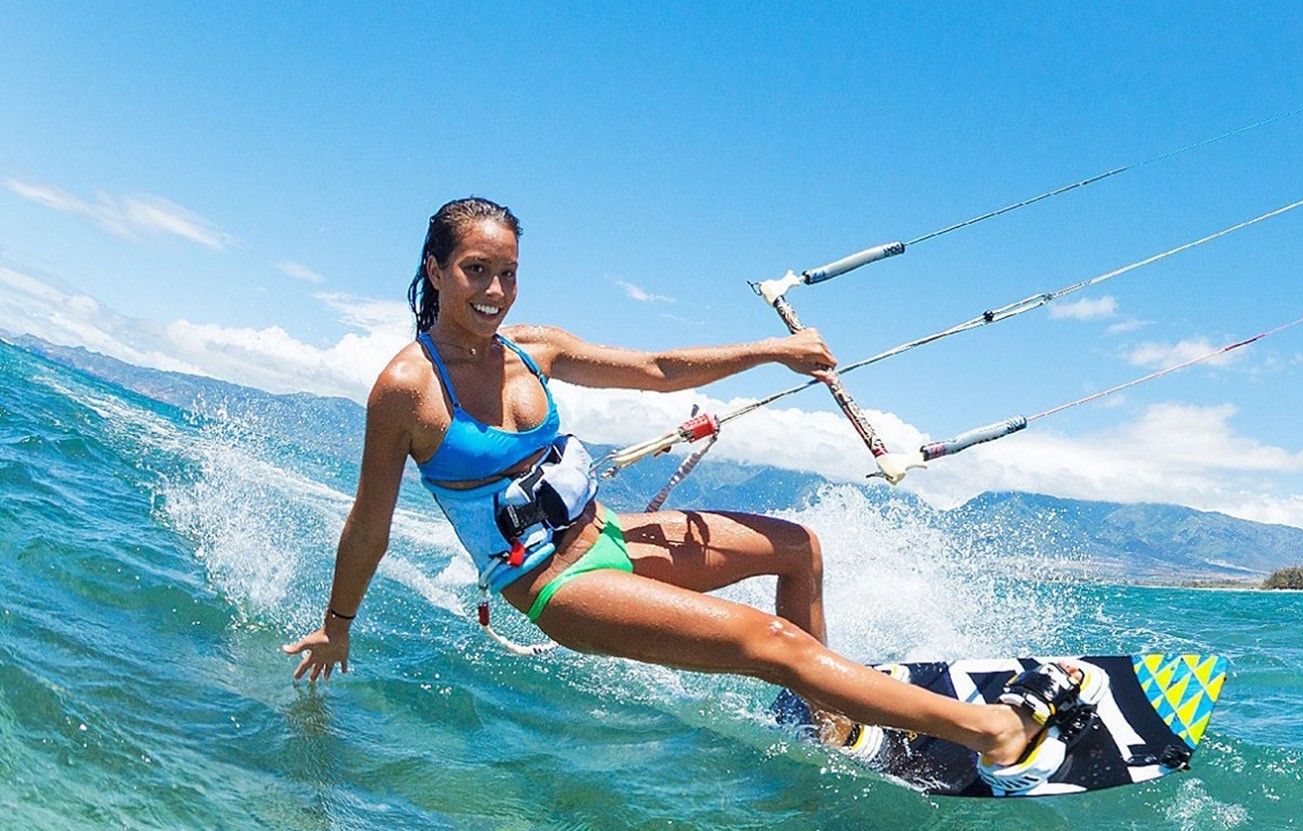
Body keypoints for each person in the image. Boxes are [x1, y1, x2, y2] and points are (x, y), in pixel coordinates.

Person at [281, 197, 1101, 793]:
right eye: (475, 270)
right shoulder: (406, 388)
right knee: (768, 641)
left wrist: (775, 350)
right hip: (556, 585)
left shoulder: (530, 348)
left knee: (797, 548)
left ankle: (824, 717)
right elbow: (369, 523)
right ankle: (995, 731)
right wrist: (337, 623)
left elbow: (658, 370)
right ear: (434, 268)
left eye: (508, 272)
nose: (495, 289)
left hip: (611, 533)